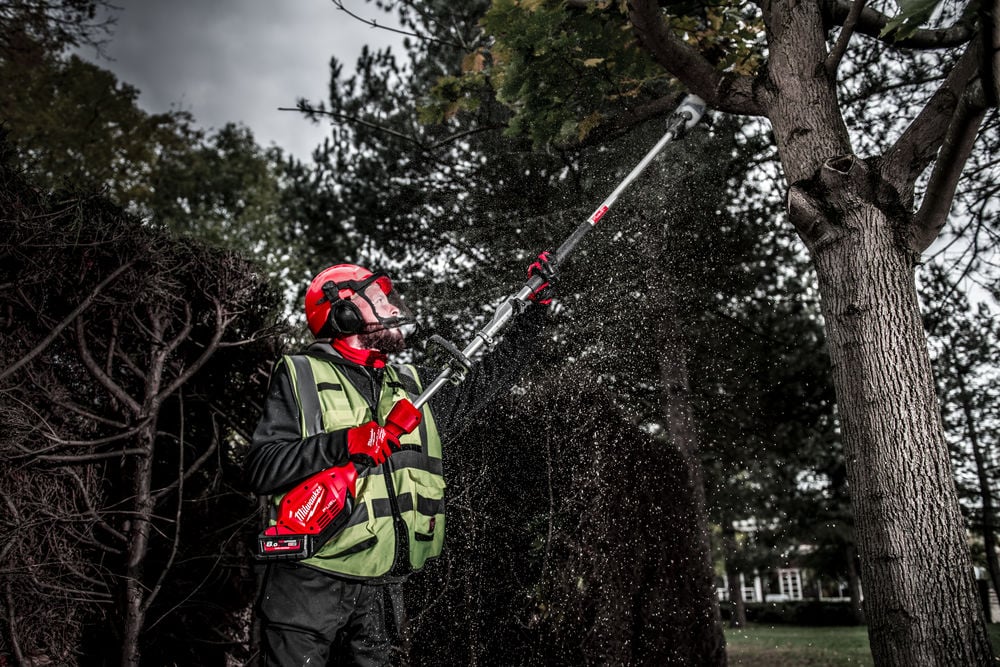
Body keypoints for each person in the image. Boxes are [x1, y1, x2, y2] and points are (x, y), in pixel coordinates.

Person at [244, 255, 556, 666]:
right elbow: (262, 467)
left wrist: (536, 314)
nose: (393, 308)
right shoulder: (301, 374)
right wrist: (345, 442)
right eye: (379, 299)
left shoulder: (411, 386)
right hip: (309, 578)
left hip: (383, 584)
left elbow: (486, 382)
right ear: (345, 313)